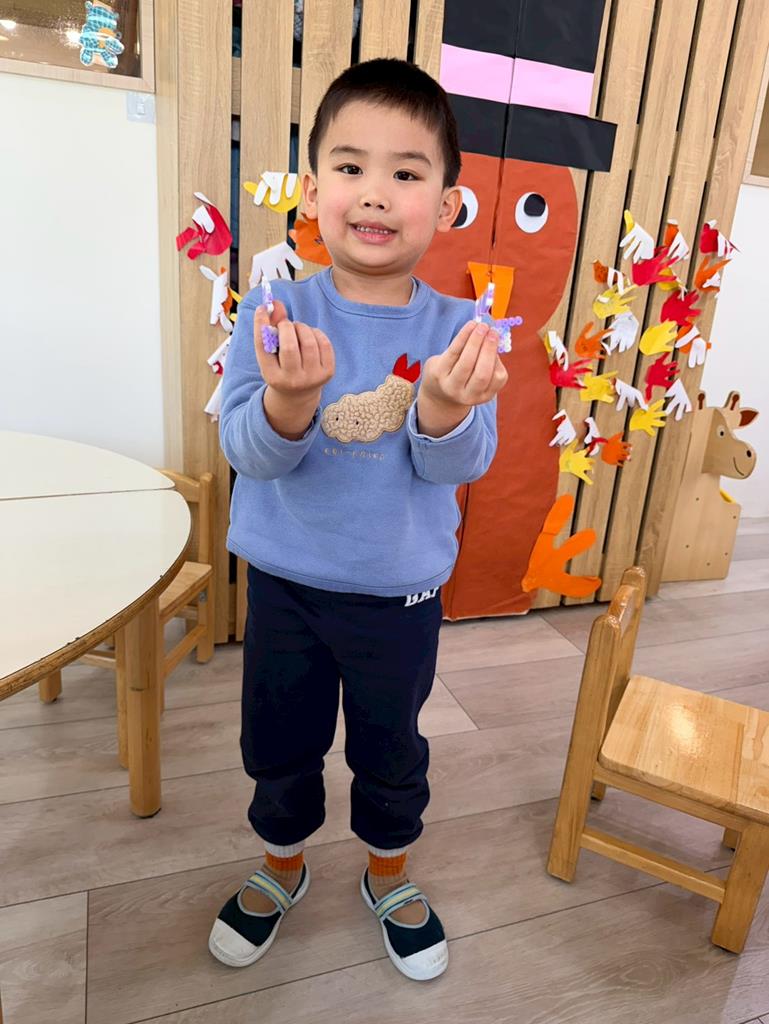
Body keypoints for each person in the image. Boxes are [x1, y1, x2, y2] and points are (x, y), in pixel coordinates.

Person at [210, 56, 507, 982]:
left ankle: (388, 873)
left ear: (445, 204)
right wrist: (288, 403)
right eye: (349, 166)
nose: (375, 193)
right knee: (278, 741)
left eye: (405, 173)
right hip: (285, 584)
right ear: (312, 190)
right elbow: (246, 452)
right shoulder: (274, 310)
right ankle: (282, 864)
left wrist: (444, 410)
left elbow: (463, 464)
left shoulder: (460, 329)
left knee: (391, 746)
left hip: (398, 592)